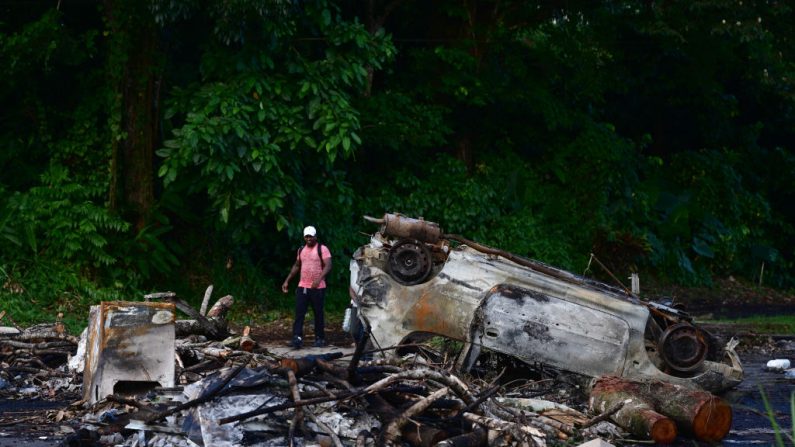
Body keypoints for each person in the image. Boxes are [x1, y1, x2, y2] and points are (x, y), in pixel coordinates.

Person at [281, 225, 332, 349]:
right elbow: (297, 266)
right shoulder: (301, 250)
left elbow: (328, 265)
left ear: (315, 236)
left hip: (318, 287)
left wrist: (319, 279)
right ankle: (297, 338)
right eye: (307, 236)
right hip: (302, 286)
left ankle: (320, 338)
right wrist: (287, 280)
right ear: (304, 237)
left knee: (318, 313)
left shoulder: (322, 249)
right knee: (299, 313)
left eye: (311, 236)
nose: (309, 238)